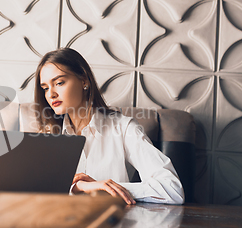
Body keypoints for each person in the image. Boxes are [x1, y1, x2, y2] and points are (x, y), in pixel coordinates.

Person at [34, 48, 184, 205]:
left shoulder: (124, 129)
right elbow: (33, 193)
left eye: (59, 83)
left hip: (112, 225)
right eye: (45, 88)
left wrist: (109, 190)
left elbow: (172, 190)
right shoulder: (46, 135)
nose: (51, 94)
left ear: (84, 80)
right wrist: (79, 187)